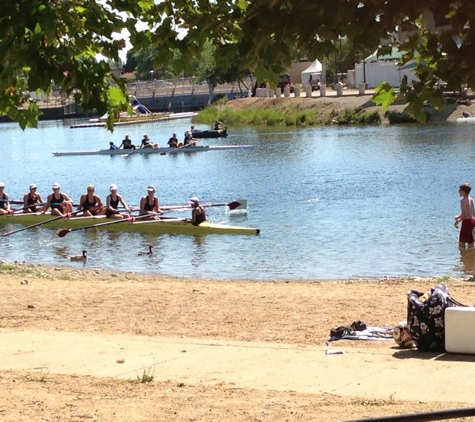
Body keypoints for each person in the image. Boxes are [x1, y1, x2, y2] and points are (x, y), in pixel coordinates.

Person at [454, 183, 475, 249]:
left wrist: (458, 219)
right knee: (471, 243)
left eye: (459, 190)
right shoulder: (471, 199)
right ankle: (470, 257)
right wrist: (460, 218)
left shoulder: (463, 201)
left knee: (461, 244)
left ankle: (463, 257)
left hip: (467, 223)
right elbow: (472, 213)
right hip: (472, 221)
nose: (459, 192)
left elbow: (464, 215)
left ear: (463, 191)